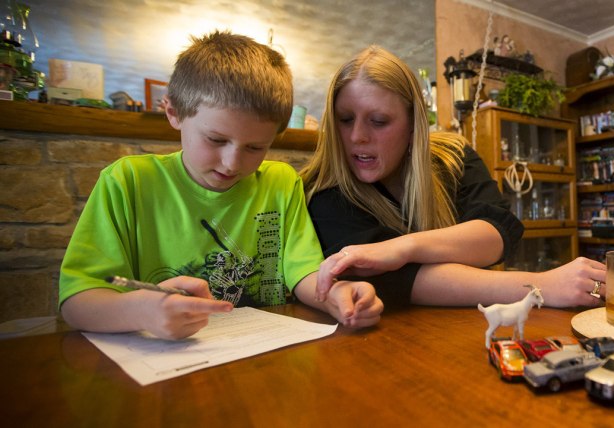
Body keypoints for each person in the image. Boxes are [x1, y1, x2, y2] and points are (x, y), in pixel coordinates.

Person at [58, 31, 383, 340]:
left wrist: (336, 294)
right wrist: (142, 311)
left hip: (262, 352)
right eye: (216, 139)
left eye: (255, 148)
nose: (232, 163)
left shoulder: (280, 182)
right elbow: (78, 301)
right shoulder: (127, 181)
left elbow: (303, 274)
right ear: (173, 112)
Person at [300, 45, 606, 309]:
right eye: (345, 119)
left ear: (412, 126)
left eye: (378, 121)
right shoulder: (323, 191)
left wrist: (402, 247)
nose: (357, 136)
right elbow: (399, 280)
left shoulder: (453, 155)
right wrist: (541, 286)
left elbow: (498, 233)